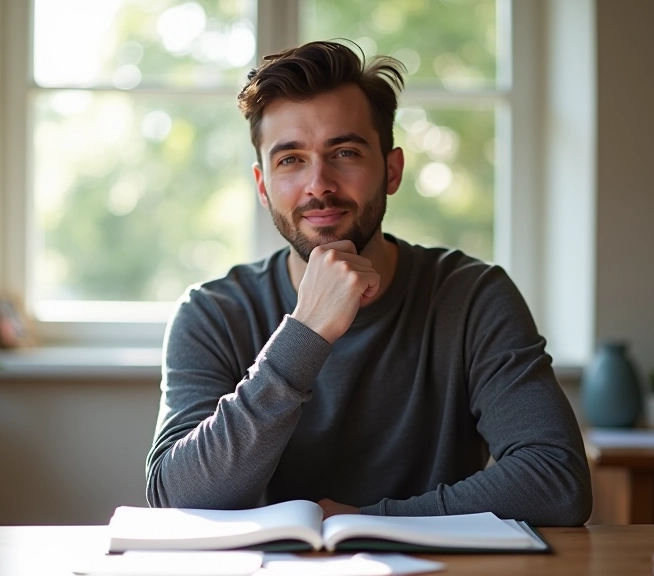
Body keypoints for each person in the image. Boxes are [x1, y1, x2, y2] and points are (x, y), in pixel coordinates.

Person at [145, 40, 592, 525]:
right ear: (262, 185)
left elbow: (556, 482)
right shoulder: (212, 312)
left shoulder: (472, 297)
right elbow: (178, 497)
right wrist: (306, 331)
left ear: (392, 170)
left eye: (345, 152)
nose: (319, 184)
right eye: (290, 160)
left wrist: (371, 519)